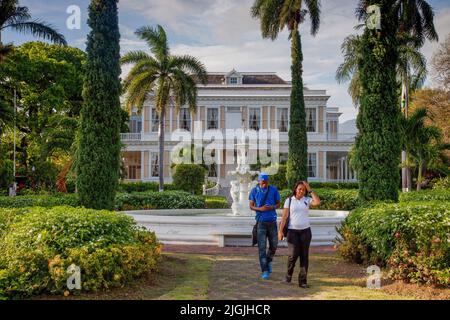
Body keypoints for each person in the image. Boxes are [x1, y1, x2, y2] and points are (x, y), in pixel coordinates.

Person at [278, 180, 321, 288]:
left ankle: (303, 281)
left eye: (303, 189)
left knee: (304, 256)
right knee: (293, 255)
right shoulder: (289, 200)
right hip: (292, 232)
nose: (301, 191)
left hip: (305, 231)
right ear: (295, 189)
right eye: (299, 189)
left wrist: (310, 189)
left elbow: (317, 202)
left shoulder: (307, 200)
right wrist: (280, 231)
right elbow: (284, 217)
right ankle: (288, 275)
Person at [249, 172, 281, 280]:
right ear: (258, 181)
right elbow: (251, 206)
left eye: (266, 182)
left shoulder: (273, 190)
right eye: (262, 182)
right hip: (261, 223)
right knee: (262, 248)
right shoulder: (254, 191)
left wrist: (272, 207)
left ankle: (268, 260)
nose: (264, 184)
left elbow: (278, 204)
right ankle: (265, 270)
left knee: (274, 245)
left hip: (272, 222)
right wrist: (260, 209)